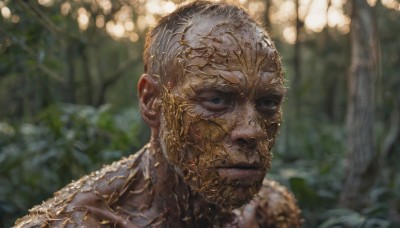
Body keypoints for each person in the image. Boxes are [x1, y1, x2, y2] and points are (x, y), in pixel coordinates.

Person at [14, 1, 302, 227]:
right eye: (216, 99)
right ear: (152, 101)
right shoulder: (73, 223)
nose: (252, 131)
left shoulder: (270, 213)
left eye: (267, 103)